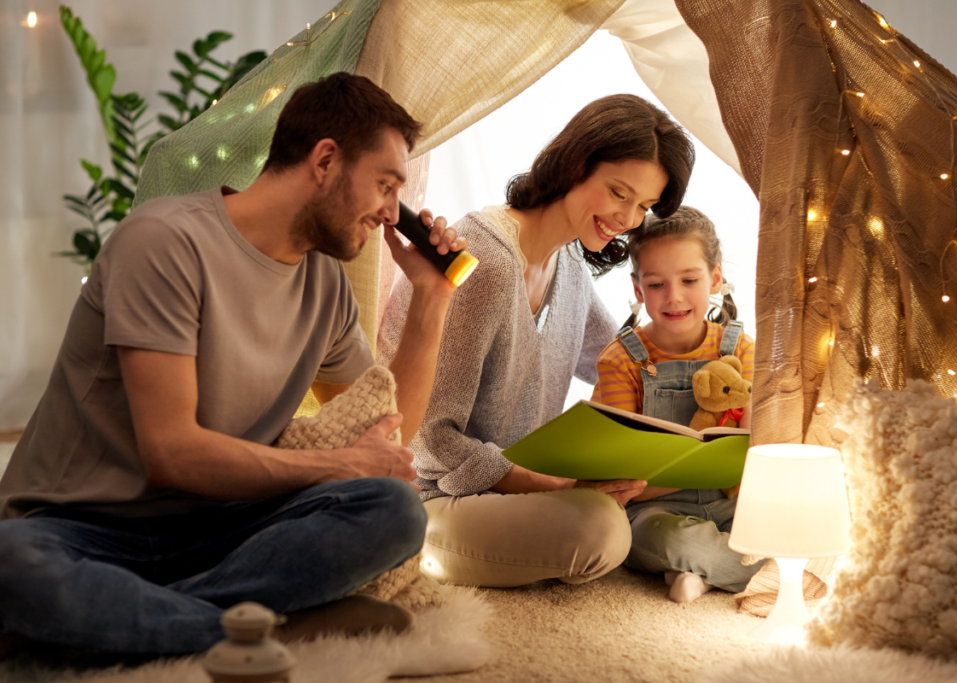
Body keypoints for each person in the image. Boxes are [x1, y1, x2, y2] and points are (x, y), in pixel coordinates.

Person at [0, 73, 467, 657]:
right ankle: (254, 625)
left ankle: (141, 618)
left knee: (394, 511)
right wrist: (334, 465)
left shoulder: (325, 284)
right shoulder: (163, 242)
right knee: (11, 565)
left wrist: (430, 299)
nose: (392, 214)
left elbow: (387, 434)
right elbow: (171, 452)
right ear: (325, 159)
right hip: (79, 527)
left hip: (220, 529)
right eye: (385, 185)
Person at [377, 94, 695, 588]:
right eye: (618, 193)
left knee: (622, 508)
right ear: (575, 164)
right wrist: (554, 484)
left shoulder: (566, 261)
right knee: (601, 531)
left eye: (644, 206)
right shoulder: (487, 262)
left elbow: (622, 359)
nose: (629, 219)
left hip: (508, 491)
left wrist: (717, 365)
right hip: (427, 497)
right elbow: (429, 441)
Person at [590, 206, 764, 603]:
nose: (674, 297)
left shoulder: (740, 347)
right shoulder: (620, 360)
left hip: (727, 502)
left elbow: (752, 445)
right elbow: (624, 474)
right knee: (670, 539)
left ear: (715, 278)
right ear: (637, 289)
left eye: (689, 280)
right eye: (656, 285)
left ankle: (698, 576)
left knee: (788, 524)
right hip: (655, 511)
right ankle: (736, 569)